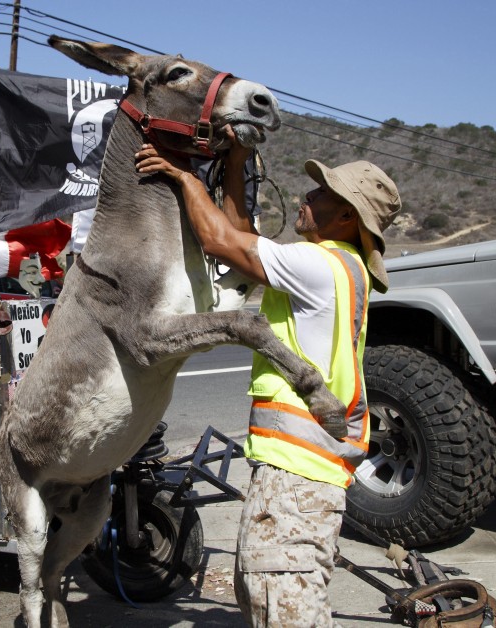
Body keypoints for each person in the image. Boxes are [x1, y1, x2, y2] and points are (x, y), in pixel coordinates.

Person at [135, 134, 400, 627]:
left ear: (347, 218)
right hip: (301, 469)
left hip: (299, 476)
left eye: (322, 195)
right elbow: (238, 236)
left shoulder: (317, 266)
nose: (307, 197)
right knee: (262, 593)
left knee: (283, 605)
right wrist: (234, 162)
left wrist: (184, 177)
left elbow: (218, 241)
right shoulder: (344, 267)